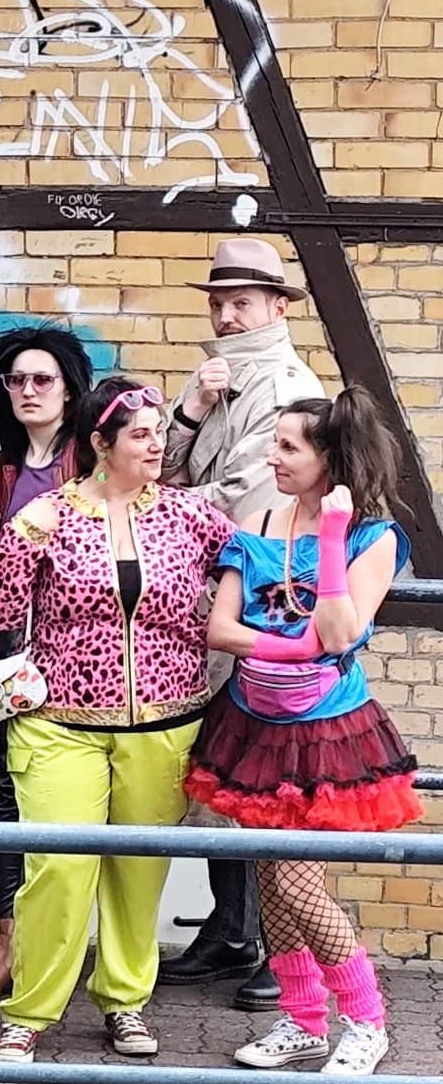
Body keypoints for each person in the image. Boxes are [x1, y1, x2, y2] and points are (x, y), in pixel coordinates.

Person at [0, 376, 233, 1063]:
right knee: (58, 867)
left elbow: (253, 571)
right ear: (101, 443)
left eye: (158, 431)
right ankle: (30, 1011)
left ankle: (125, 1001)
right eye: (143, 434)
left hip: (164, 723)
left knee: (138, 872)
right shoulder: (47, 516)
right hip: (59, 721)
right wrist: (15, 551)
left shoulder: (191, 515)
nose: (159, 444)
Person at [193, 387, 420, 1077]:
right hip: (254, 726)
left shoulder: (371, 538)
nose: (275, 456)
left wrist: (327, 536)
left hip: (326, 733)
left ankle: (365, 1018)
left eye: (290, 446)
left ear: (330, 458)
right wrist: (290, 651)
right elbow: (221, 628)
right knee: (271, 875)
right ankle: (303, 1019)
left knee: (296, 883)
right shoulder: (258, 521)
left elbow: (341, 631)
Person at [157, 237, 324, 1010]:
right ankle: (232, 930)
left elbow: (240, 502)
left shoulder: (286, 386)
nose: (227, 316)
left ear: (277, 307)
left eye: (242, 303)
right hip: (213, 601)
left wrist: (163, 515)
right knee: (224, 770)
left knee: (260, 777)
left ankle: (273, 945)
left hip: (260, 609)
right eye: (218, 303)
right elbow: (162, 464)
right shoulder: (220, 378)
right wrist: (188, 410)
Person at [0, 327, 94, 1005]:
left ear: (69, 387)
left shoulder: (89, 456)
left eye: (42, 379)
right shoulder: (4, 463)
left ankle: (71, 952)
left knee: (72, 807)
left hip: (79, 657)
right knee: (10, 792)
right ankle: (8, 945)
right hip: (13, 652)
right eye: (15, 381)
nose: (27, 391)